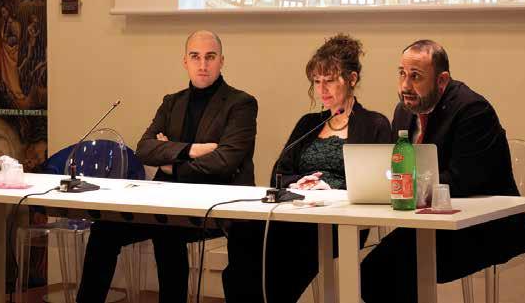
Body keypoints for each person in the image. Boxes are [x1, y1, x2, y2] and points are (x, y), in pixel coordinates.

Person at [76, 30, 258, 303]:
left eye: (210, 57)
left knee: (168, 231)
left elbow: (225, 161)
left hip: (215, 204)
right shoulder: (172, 102)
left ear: (222, 61)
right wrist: (192, 150)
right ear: (185, 61)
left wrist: (174, 163)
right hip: (165, 201)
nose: (203, 64)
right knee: (104, 229)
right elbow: (145, 148)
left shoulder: (241, 103)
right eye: (195, 57)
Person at [361, 39, 525, 302]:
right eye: (401, 74)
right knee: (375, 272)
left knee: (390, 270)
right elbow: (398, 166)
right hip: (429, 225)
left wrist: (404, 186)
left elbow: (462, 181)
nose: (405, 86)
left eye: (415, 76)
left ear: (442, 80)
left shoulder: (472, 110)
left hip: (484, 227)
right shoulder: (404, 111)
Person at [223, 33, 391, 303]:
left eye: (330, 80)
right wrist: (299, 182)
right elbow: (279, 173)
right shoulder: (309, 123)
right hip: (298, 212)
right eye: (317, 81)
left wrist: (330, 186)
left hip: (339, 221)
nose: (322, 89)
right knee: (244, 233)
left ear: (352, 79)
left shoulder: (374, 124)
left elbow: (378, 183)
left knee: (284, 256)